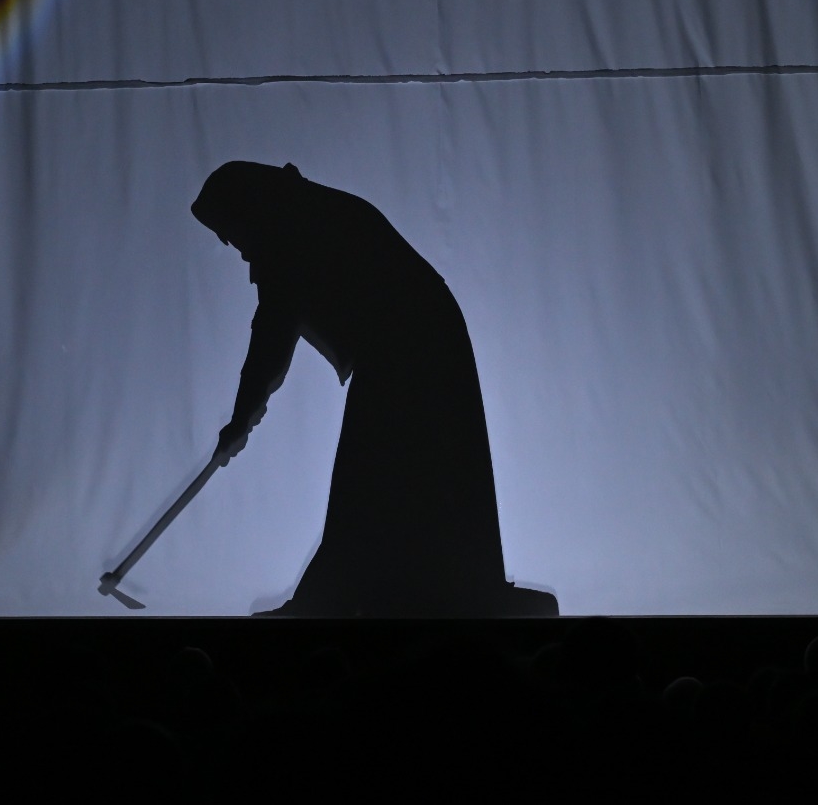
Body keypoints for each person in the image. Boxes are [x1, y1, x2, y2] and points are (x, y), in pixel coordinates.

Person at [191, 161, 555, 617]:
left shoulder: (288, 234)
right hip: (421, 337)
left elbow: (271, 334)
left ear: (247, 213)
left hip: (407, 344)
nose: (241, 252)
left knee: (372, 472)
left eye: (232, 235)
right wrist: (244, 416)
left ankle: (338, 599)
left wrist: (242, 419)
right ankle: (415, 591)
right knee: (419, 473)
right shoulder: (307, 213)